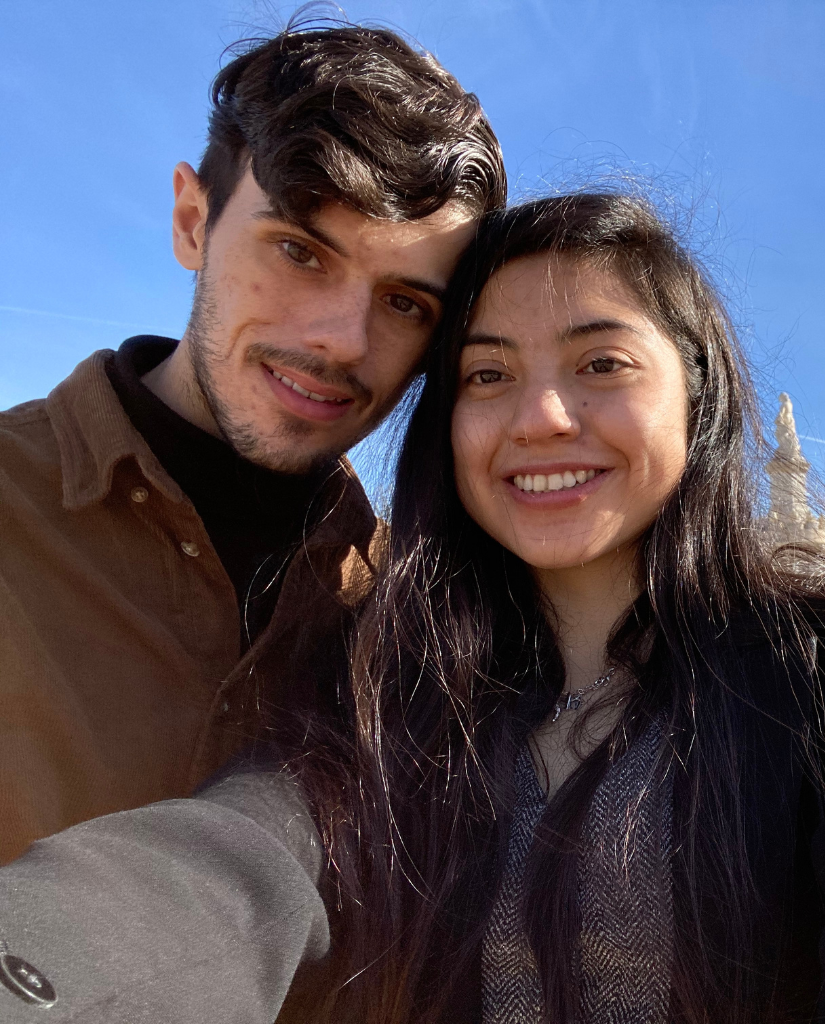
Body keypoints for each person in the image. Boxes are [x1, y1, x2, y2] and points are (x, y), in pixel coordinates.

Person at [2, 194, 825, 1023]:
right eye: (487, 374)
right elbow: (231, 867)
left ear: (698, 394)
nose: (539, 417)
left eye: (600, 363)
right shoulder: (382, 669)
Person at [0, 19, 505, 864]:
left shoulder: (415, 618)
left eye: (404, 303)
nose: (343, 340)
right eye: (300, 252)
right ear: (192, 221)